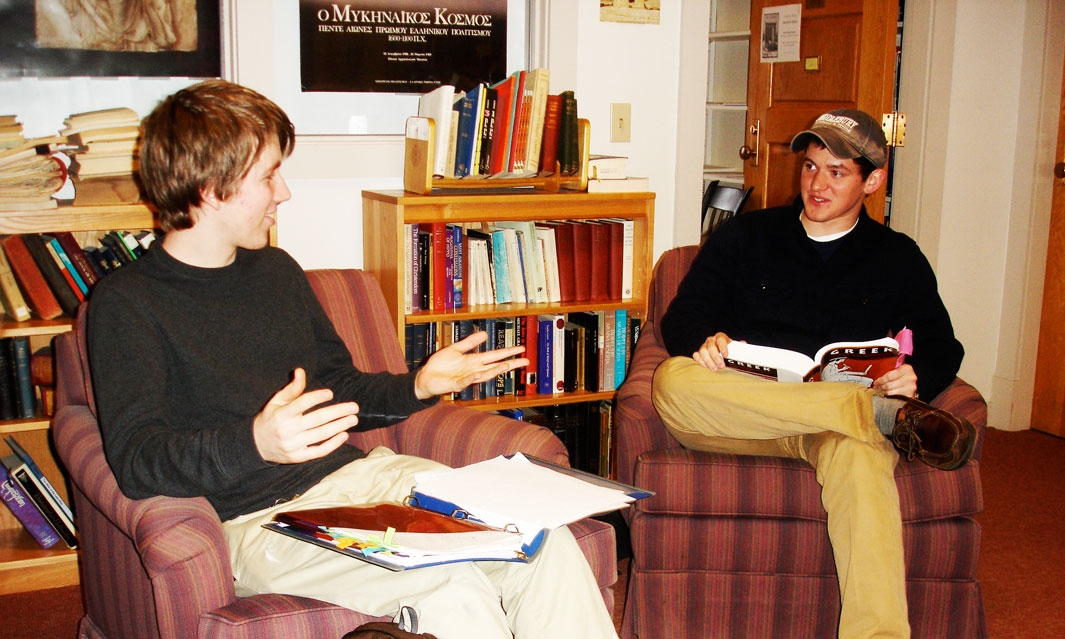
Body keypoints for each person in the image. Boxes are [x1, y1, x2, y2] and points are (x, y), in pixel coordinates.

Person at [85, 79, 618, 639]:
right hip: (261, 521)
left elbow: (339, 389)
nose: (284, 192)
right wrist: (255, 442)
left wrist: (419, 385)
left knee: (539, 539)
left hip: (364, 479)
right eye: (268, 175)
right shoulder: (128, 303)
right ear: (213, 189)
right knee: (451, 589)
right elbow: (135, 457)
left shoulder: (276, 271)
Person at [652, 109, 977, 639]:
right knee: (672, 380)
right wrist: (704, 341)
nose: (816, 184)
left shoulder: (898, 257)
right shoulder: (746, 236)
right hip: (740, 415)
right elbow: (683, 314)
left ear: (872, 181)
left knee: (862, 460)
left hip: (833, 432)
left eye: (836, 171)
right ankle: (875, 414)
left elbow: (943, 344)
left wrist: (915, 377)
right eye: (810, 167)